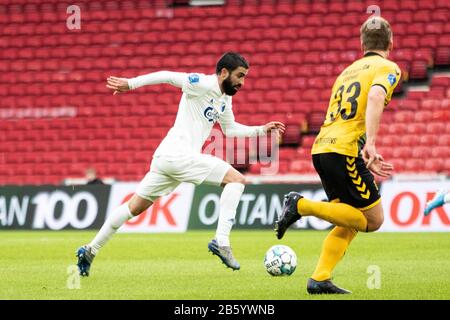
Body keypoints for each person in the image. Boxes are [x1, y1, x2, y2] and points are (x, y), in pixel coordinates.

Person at [76, 52, 285, 276]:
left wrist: (261, 130)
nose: (242, 82)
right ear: (224, 72)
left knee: (134, 207)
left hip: (169, 160)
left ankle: (90, 250)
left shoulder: (225, 98)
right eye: (239, 76)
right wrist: (131, 84)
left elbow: (230, 128)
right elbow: (167, 75)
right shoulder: (202, 83)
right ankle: (221, 241)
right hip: (178, 154)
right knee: (237, 180)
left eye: (244, 77)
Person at [275, 17, 400, 294]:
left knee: (351, 218)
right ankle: (300, 205)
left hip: (322, 147)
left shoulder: (347, 72)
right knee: (373, 220)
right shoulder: (387, 67)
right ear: (391, 43)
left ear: (361, 44)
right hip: (344, 150)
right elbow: (376, 97)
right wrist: (372, 144)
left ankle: (320, 278)